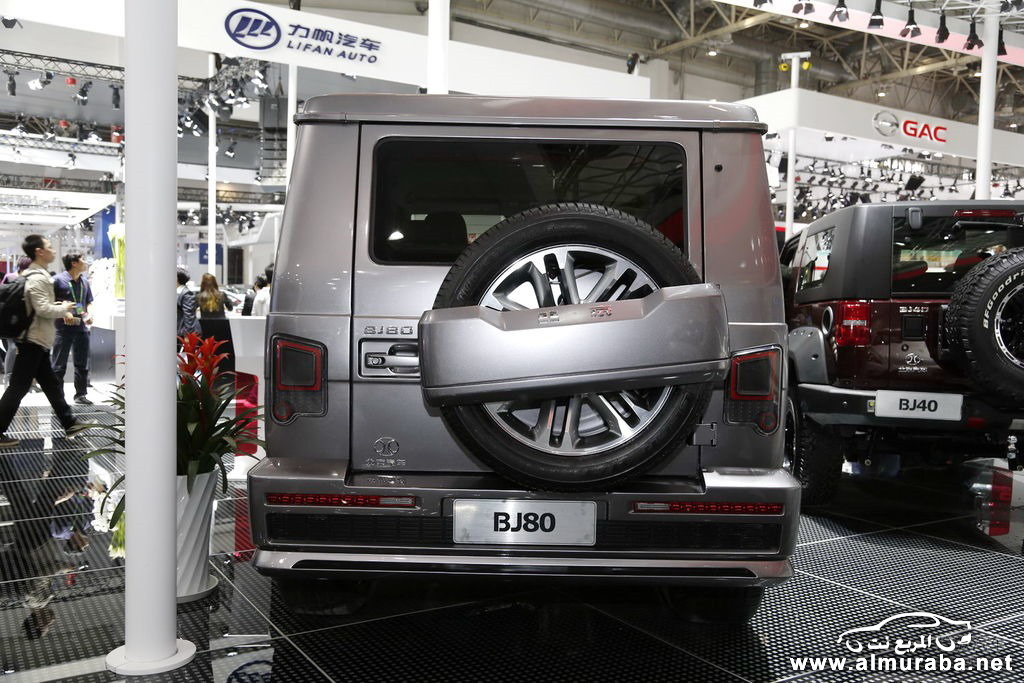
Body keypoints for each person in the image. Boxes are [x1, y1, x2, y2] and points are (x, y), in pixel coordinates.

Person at [0, 235, 90, 448]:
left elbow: (38, 306)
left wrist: (58, 306)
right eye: (49, 247)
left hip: (36, 340)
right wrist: (64, 308)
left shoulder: (35, 275)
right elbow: (43, 309)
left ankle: (69, 423)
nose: (53, 250)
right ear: (39, 252)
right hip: (33, 340)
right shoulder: (38, 278)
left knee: (50, 385)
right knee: (18, 388)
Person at [51, 252, 94, 405]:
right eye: (83, 260)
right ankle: (58, 398)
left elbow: (87, 301)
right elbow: (49, 302)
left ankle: (81, 394)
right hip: (62, 328)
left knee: (82, 364)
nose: (85, 262)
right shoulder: (58, 280)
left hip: (81, 327)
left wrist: (89, 314)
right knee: (59, 365)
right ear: (74, 263)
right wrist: (64, 312)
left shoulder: (84, 281)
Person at [197, 273, 235, 376]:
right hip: (222, 328)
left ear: (202, 283)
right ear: (215, 283)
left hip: (205, 329)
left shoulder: (199, 297)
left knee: (208, 353)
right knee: (222, 352)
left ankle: (208, 375)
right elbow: (230, 307)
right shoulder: (222, 295)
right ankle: (223, 373)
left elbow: (192, 310)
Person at [2, 256, 32, 385]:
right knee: (13, 347)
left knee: (29, 349)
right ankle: (8, 377)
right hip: (12, 319)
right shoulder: (10, 277)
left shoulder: (31, 279)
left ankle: (28, 380)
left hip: (27, 319)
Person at [176, 268, 200, 341]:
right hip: (180, 332)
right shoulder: (178, 292)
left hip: (183, 334)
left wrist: (188, 336)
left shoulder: (187, 294)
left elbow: (189, 316)